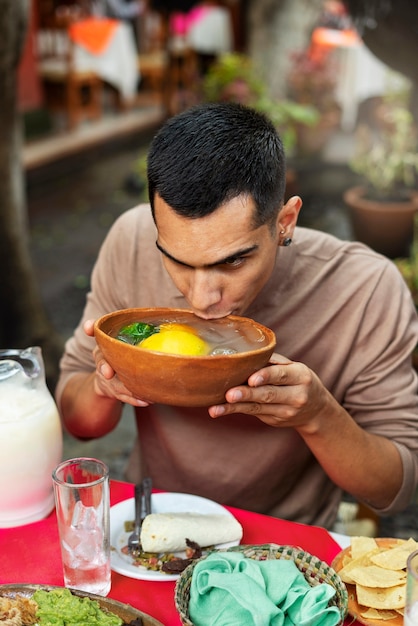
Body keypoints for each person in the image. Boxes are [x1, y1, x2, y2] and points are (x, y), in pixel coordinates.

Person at [56, 102, 418, 529]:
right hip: (151, 522)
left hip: (284, 543)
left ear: (285, 221)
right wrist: (103, 386)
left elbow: (394, 489)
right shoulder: (131, 241)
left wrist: (318, 414)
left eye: (232, 263)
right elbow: (78, 422)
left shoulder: (365, 287)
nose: (202, 298)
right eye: (177, 262)